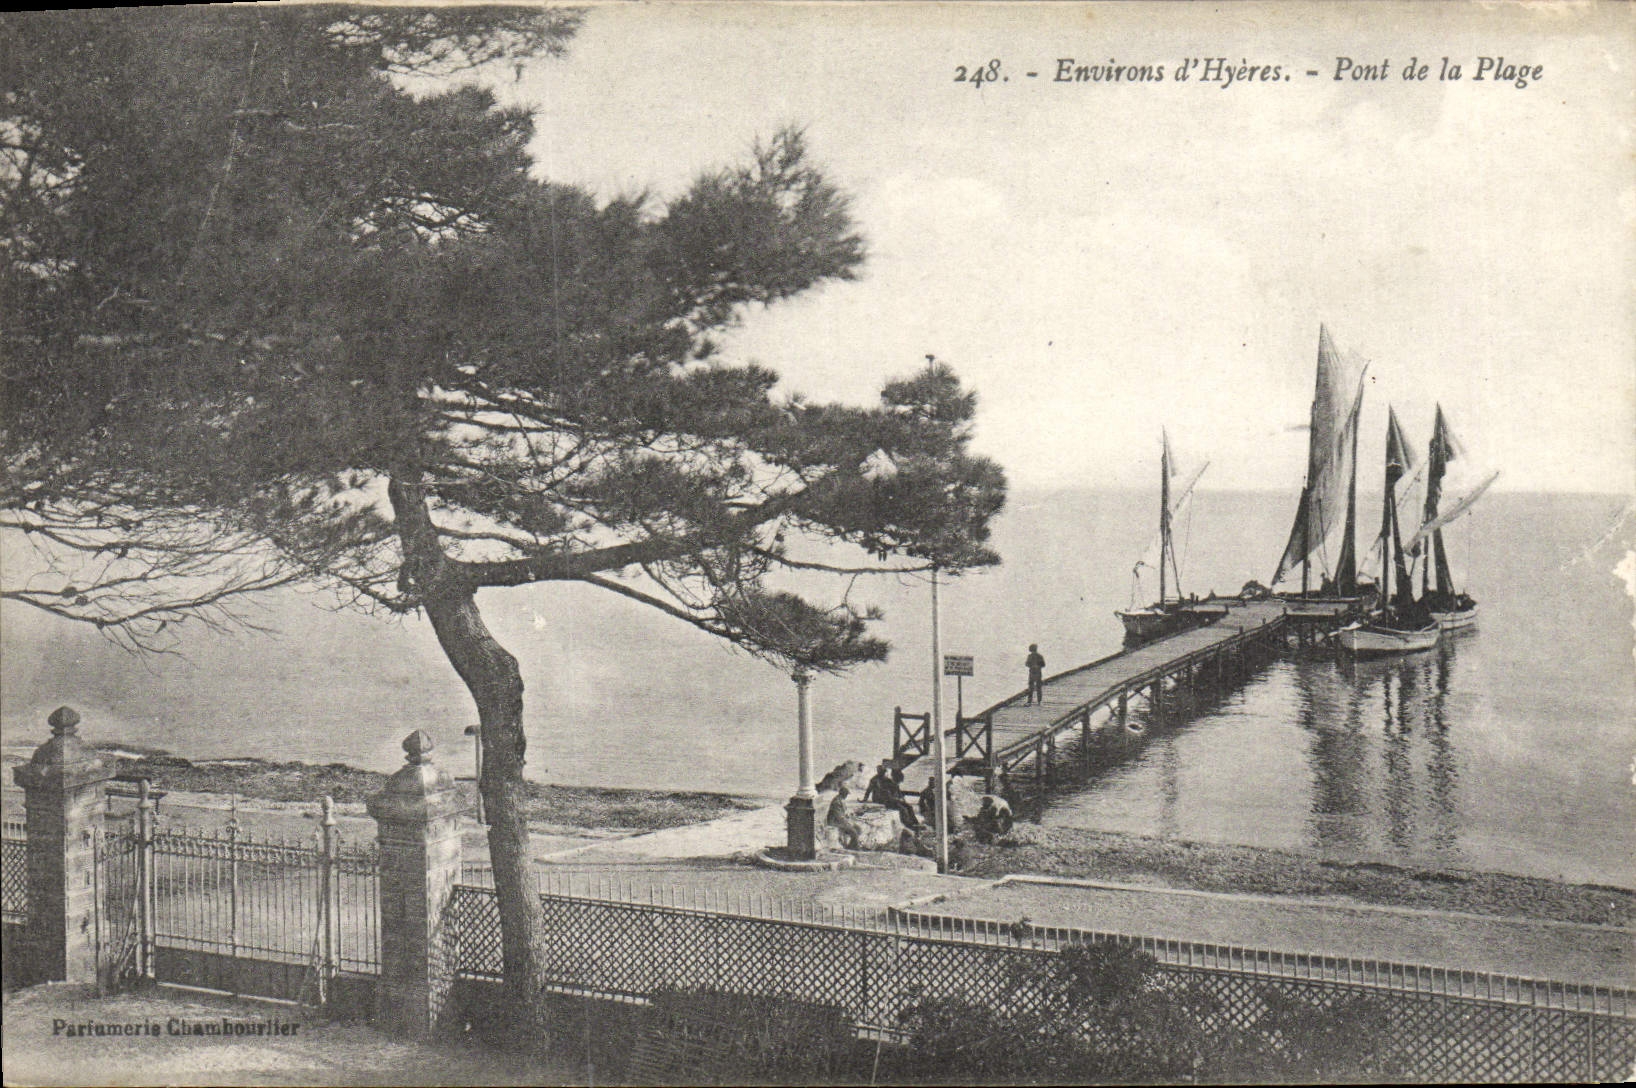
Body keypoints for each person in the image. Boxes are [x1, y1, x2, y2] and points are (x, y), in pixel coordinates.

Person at [827, 784, 863, 850]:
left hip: (840, 821)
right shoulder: (836, 802)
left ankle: (851, 846)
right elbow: (839, 817)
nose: (846, 796)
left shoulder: (841, 800)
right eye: (846, 794)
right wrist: (848, 823)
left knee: (858, 829)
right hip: (835, 822)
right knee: (853, 832)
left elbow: (844, 813)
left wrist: (851, 815)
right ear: (843, 794)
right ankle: (856, 848)